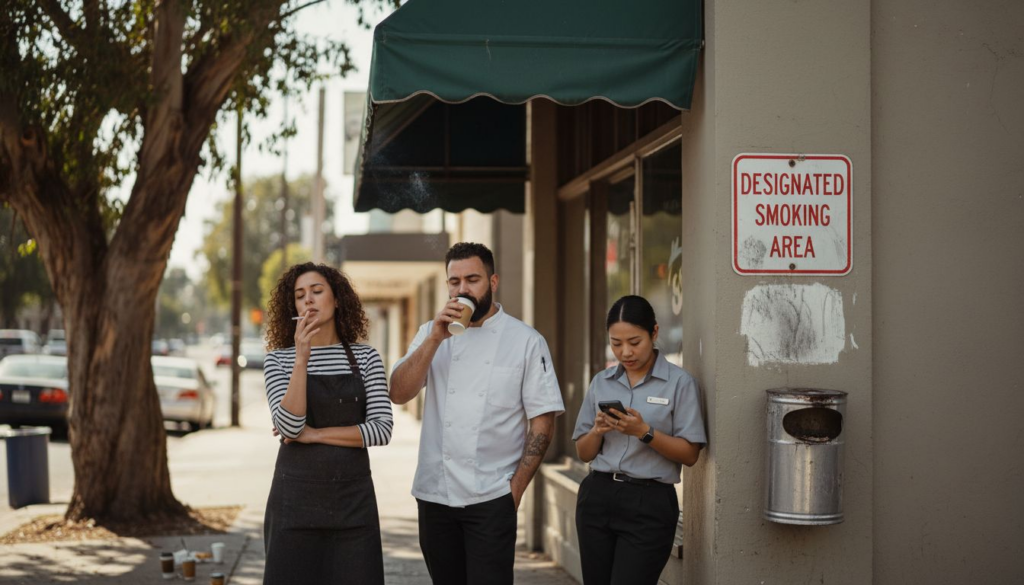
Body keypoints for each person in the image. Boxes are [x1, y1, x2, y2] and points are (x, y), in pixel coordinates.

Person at [390, 242, 564, 585]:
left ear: (493, 281)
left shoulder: (526, 341)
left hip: (491, 498)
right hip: (434, 496)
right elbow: (398, 392)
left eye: (472, 279)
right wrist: (435, 339)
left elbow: (543, 421)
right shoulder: (430, 333)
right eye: (454, 282)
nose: (462, 289)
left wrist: (513, 492)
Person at [261, 262, 393, 584]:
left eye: (317, 291)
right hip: (294, 504)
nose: (308, 300)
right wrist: (301, 357)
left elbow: (380, 429)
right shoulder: (278, 360)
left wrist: (316, 434)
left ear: (336, 300)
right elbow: (291, 427)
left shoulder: (365, 357)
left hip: (353, 506)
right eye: (300, 295)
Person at [572, 295, 707, 585]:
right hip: (597, 496)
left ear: (654, 333)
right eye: (616, 343)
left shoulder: (680, 384)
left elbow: (690, 454)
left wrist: (643, 432)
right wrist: (597, 430)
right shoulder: (601, 382)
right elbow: (583, 453)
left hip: (650, 502)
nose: (625, 352)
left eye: (635, 342)